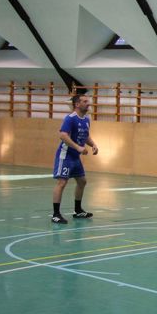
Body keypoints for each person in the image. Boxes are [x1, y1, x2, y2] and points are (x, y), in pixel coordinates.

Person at [52, 94, 99, 224]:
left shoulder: (86, 119)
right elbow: (63, 135)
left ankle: (78, 211)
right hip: (65, 155)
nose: (88, 103)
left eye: (88, 101)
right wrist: (78, 147)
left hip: (75, 157)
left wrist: (93, 145)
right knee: (62, 182)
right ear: (77, 104)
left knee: (82, 181)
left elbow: (86, 136)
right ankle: (56, 215)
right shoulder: (70, 118)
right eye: (85, 101)